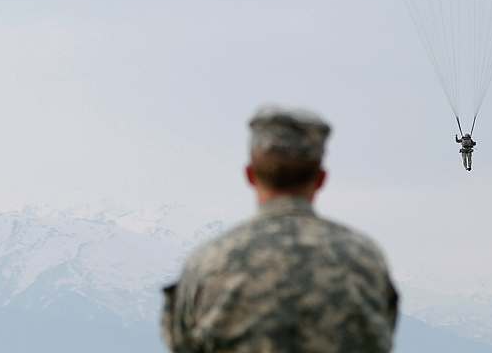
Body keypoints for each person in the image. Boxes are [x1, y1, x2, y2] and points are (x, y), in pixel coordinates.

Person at [160, 105, 399, 353]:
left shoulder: (208, 261)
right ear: (321, 178)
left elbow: (182, 343)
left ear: (250, 174)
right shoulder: (365, 258)